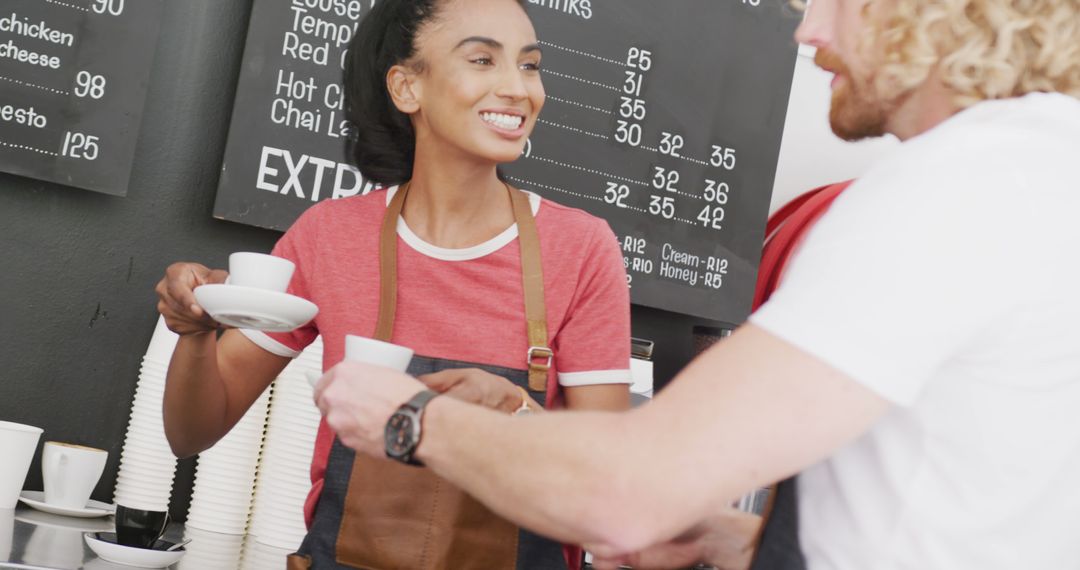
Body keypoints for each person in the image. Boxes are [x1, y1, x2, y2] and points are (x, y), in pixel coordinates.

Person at [310, 0, 1080, 568]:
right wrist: (740, 538)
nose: (806, 32)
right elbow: (976, 507)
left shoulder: (957, 187)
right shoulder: (1046, 174)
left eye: (838, 2)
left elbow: (625, 493)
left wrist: (411, 418)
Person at [155, 0, 632, 568]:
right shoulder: (329, 237)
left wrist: (515, 411)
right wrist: (193, 331)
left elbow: (610, 490)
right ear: (407, 88)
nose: (518, 88)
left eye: (529, 65)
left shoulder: (581, 249)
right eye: (483, 59)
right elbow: (193, 433)